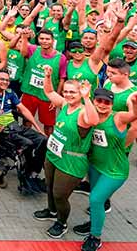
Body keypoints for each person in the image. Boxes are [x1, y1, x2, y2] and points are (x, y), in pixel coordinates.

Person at [73, 86, 137, 251]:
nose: (103, 104)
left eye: (107, 102)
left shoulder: (118, 118)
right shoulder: (89, 116)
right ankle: (93, 223)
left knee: (96, 200)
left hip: (115, 171)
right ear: (93, 101)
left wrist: (136, 103)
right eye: (99, 100)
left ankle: (95, 237)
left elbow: (136, 115)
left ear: (112, 105)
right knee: (95, 197)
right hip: (94, 166)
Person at [34, 68, 97, 239]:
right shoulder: (64, 105)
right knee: (49, 186)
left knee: (60, 194)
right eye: (66, 91)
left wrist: (86, 97)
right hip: (54, 155)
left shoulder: (83, 111)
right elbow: (48, 91)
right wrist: (48, 76)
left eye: (73, 92)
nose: (68, 95)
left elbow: (93, 120)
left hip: (71, 161)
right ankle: (51, 211)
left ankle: (61, 223)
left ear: (80, 92)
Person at [0, 68, 47, 194]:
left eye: (7, 80)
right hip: (2, 130)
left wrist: (38, 128)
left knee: (43, 140)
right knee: (28, 144)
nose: (5, 82)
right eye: (2, 79)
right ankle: (25, 177)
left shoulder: (10, 92)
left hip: (15, 126)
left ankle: (34, 171)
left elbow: (24, 110)